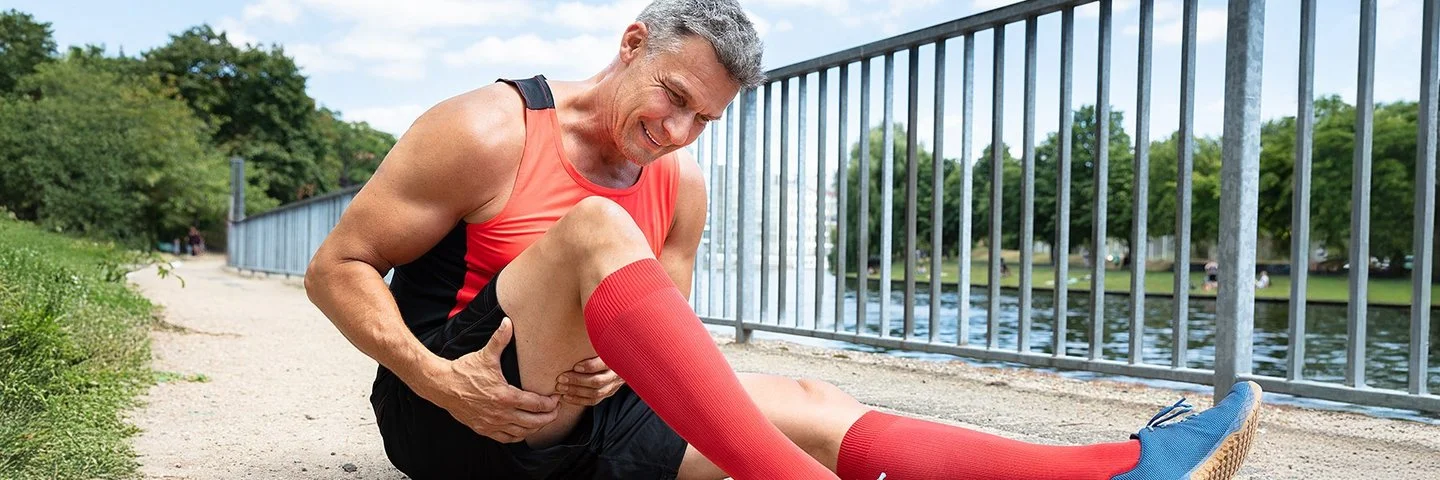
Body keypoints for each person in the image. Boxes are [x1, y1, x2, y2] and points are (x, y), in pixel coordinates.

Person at [304, 1, 1263, 479]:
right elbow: (336, 266)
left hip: (579, 427)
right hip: (458, 415)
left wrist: (612, 371)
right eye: (673, 98)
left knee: (807, 395)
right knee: (593, 228)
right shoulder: (491, 127)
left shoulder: (679, 183)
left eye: (704, 119)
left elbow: (657, 341)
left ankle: (1122, 468)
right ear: (633, 44)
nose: (676, 133)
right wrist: (435, 377)